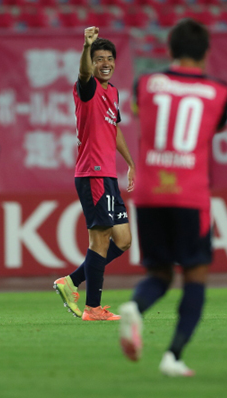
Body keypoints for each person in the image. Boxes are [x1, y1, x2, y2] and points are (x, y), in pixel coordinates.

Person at [117, 19, 227, 376]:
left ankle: (136, 306)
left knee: (160, 272)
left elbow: (137, 112)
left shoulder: (146, 83)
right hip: (189, 194)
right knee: (195, 274)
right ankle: (173, 356)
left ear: (169, 49)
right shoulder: (219, 91)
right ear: (206, 53)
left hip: (150, 192)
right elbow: (216, 126)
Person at [53, 27, 136, 321]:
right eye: (98, 57)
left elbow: (113, 129)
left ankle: (72, 281)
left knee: (123, 240)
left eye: (109, 58)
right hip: (93, 174)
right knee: (99, 241)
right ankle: (93, 308)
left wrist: (130, 162)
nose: (105, 62)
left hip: (108, 175)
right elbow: (84, 74)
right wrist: (85, 47)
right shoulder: (86, 87)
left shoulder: (113, 91)